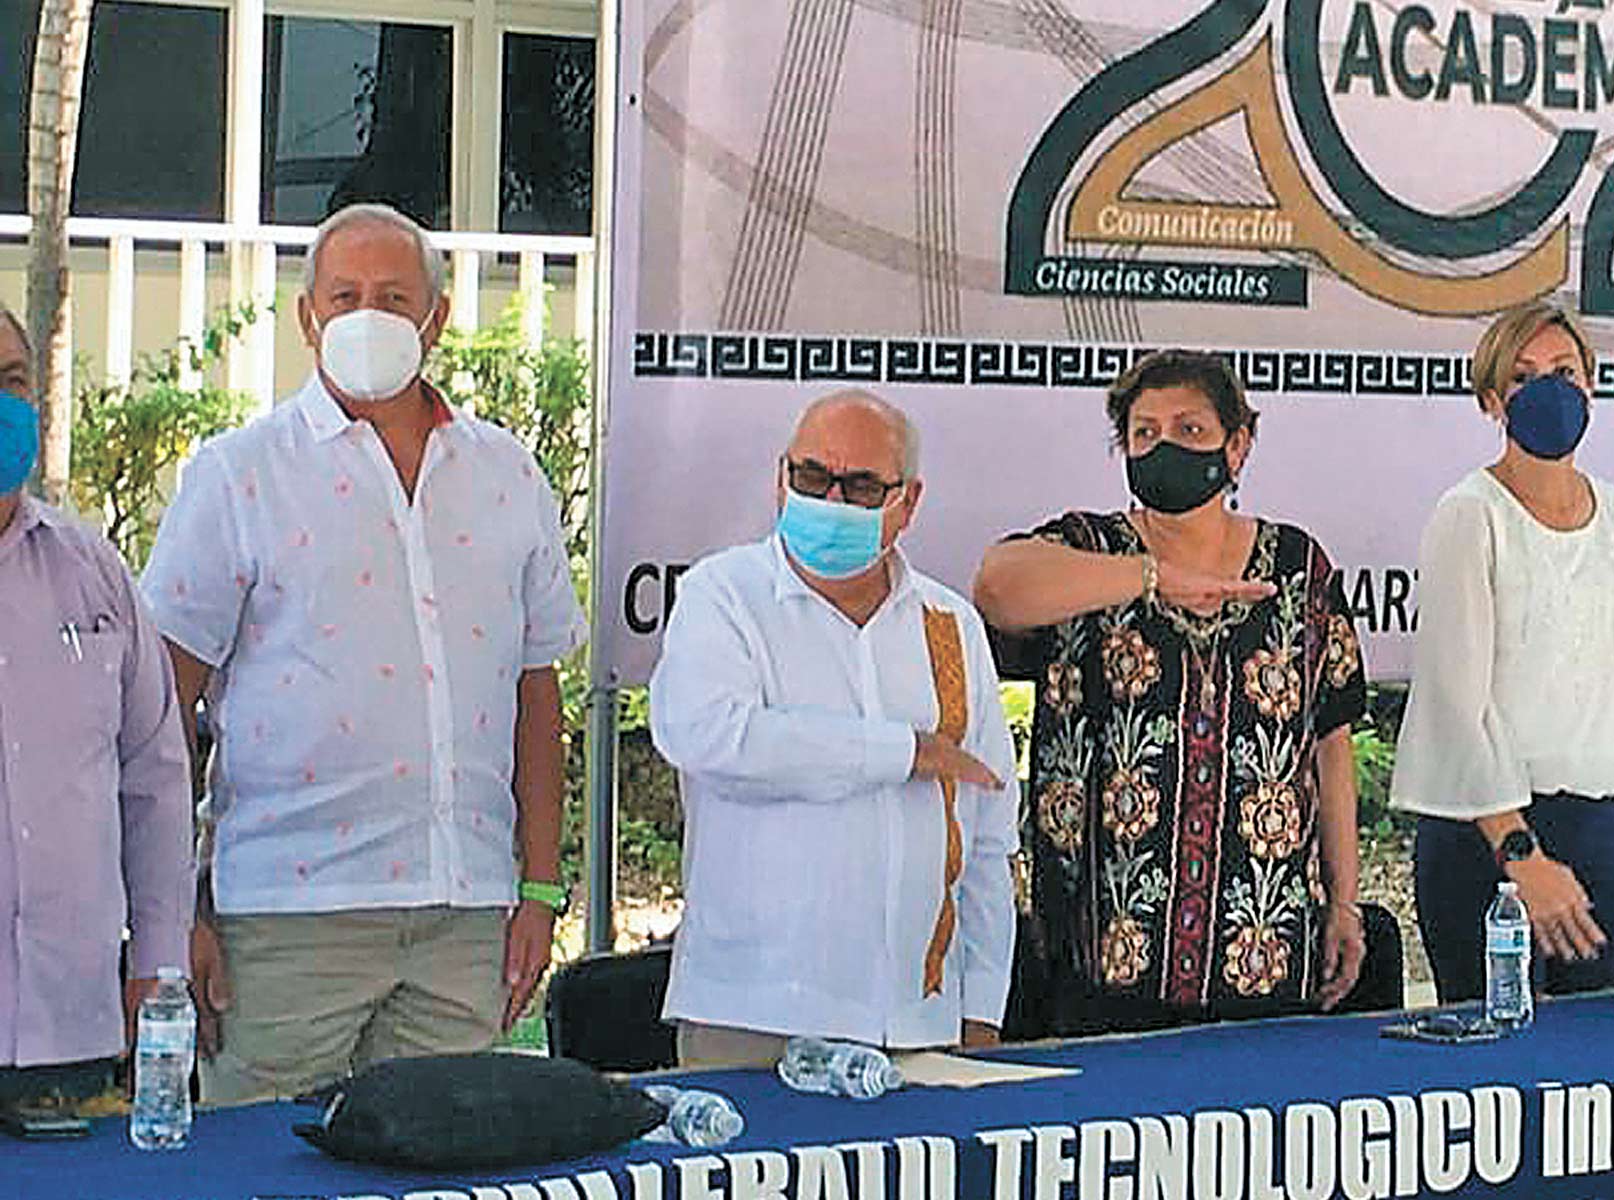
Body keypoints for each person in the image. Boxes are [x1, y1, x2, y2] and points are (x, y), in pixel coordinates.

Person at [141, 204, 584, 1103]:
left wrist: (540, 890)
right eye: (344, 297)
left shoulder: (508, 475)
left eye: (393, 297)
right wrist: (171, 913)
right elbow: (158, 712)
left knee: (448, 1157)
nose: (367, 316)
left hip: (465, 915)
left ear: (437, 317)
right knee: (263, 1162)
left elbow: (537, 700)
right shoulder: (238, 477)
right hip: (285, 920)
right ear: (307, 318)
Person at [975, 349, 1366, 1035]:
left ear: (1237, 446)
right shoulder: (1086, 548)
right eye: (1144, 433)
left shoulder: (1297, 565)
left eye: (1190, 430)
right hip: (1106, 954)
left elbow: (1331, 747)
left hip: (1268, 954)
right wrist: (1149, 578)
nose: (1164, 448)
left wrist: (1345, 902)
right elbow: (997, 587)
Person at [649, 393, 1017, 1065]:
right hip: (755, 1017)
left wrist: (982, 1008)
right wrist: (902, 752)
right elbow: (711, 738)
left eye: (861, 486)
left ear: (907, 502)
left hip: (920, 1021)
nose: (831, 500)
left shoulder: (950, 624)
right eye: (813, 476)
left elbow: (988, 838)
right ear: (780, 477)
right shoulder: (723, 595)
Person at [1390, 303, 1614, 1001]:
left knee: (1600, 1049)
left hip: (1606, 829)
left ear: (1591, 384)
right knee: (1499, 1043)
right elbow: (1455, 703)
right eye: (1523, 376)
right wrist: (1523, 856)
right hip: (1490, 835)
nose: (1548, 389)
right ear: (1491, 400)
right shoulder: (1471, 513)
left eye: (1564, 372)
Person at [0, 311, 194, 1113]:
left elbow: (156, 780)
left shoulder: (93, 571)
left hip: (73, 1030)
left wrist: (159, 963)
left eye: (11, 382)